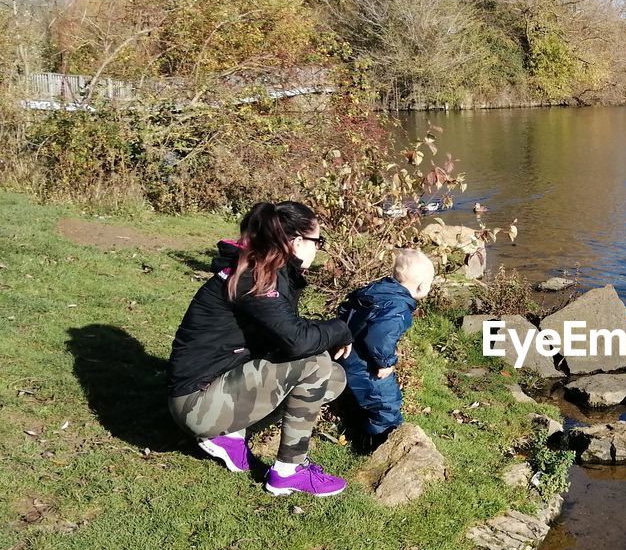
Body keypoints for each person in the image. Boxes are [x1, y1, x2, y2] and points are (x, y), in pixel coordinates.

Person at [167, 201, 354, 497]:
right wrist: (341, 329)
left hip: (212, 386)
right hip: (196, 404)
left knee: (333, 377)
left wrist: (329, 333)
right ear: (294, 242)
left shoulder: (263, 268)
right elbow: (297, 341)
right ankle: (289, 471)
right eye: (317, 241)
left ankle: (230, 434)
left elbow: (286, 330)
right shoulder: (257, 278)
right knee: (315, 363)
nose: (318, 248)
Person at [337, 248, 435, 452]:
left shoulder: (379, 291)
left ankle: (357, 429)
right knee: (386, 403)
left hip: (349, 354)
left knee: (362, 400)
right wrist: (385, 362)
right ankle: (377, 445)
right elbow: (379, 337)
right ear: (422, 286)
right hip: (366, 363)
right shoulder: (397, 306)